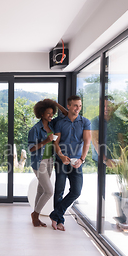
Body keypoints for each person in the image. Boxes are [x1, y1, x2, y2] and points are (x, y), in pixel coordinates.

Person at [51, 95, 91, 231]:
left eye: (79, 106)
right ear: (68, 106)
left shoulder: (85, 122)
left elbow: (87, 142)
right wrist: (61, 156)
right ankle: (59, 221)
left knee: (76, 191)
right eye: (75, 105)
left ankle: (55, 215)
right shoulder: (60, 123)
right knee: (59, 190)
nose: (78, 108)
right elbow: (55, 142)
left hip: (77, 162)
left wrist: (82, 159)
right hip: (61, 160)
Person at [27, 99, 67, 227]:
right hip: (40, 163)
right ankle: (35, 214)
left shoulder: (53, 125)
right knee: (49, 191)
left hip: (50, 161)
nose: (51, 115)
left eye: (52, 113)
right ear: (41, 113)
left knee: (41, 189)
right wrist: (45, 141)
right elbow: (31, 148)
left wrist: (55, 104)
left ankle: (36, 216)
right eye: (48, 113)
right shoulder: (35, 129)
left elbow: (66, 114)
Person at [90, 96, 126, 167]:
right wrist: (105, 160)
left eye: (109, 106)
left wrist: (122, 157)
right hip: (99, 160)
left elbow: (121, 140)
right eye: (103, 106)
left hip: (115, 159)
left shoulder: (118, 121)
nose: (106, 108)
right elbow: (95, 142)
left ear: (113, 107)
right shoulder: (95, 121)